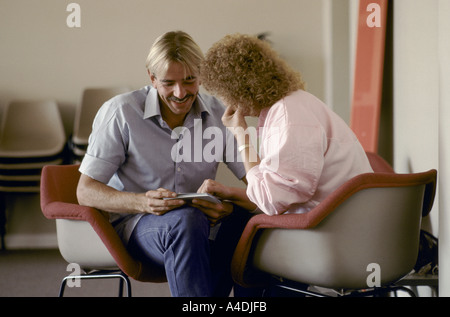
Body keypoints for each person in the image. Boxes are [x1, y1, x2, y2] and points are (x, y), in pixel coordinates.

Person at [76, 31, 256, 297]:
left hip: (201, 224)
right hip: (139, 225)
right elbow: (85, 191)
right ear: (152, 77)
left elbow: (258, 185)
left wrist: (226, 208)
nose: (180, 93)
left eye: (189, 80)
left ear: (200, 74)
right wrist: (142, 202)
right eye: (168, 83)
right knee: (186, 220)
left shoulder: (219, 113)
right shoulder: (121, 112)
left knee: (250, 221)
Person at [200, 33, 374, 216]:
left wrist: (241, 134)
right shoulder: (293, 104)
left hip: (331, 224)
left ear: (237, 90)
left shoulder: (287, 117)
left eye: (222, 94)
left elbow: (270, 202)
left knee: (229, 224)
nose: (225, 103)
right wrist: (230, 193)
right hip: (344, 215)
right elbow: (274, 191)